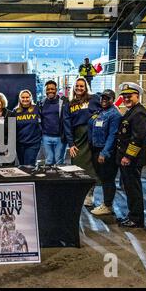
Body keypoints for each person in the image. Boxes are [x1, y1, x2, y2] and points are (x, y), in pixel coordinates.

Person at [115, 82, 146, 228]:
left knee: (133, 189)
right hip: (127, 159)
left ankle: (136, 218)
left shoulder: (139, 112)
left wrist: (128, 156)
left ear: (137, 96)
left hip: (131, 160)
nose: (126, 99)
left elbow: (138, 138)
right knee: (129, 188)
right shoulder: (132, 111)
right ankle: (132, 215)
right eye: (124, 96)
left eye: (129, 96)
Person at [63, 76, 101, 206]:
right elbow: (67, 124)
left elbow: (105, 109)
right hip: (78, 137)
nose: (79, 88)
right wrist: (71, 144)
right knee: (78, 166)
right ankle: (79, 193)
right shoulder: (69, 103)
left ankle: (90, 193)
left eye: (82, 86)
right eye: (77, 86)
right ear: (74, 87)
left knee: (92, 167)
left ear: (86, 87)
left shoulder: (94, 98)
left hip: (93, 135)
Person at [88, 89, 122, 216]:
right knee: (103, 178)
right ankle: (106, 203)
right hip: (96, 149)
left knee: (108, 179)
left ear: (113, 100)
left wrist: (104, 152)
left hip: (106, 152)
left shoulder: (114, 115)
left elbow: (112, 136)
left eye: (107, 98)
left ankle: (107, 205)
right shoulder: (101, 112)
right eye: (102, 98)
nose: (104, 100)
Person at [39, 80, 68, 165]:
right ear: (45, 91)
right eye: (48, 89)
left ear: (56, 90)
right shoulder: (42, 103)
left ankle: (58, 178)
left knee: (59, 160)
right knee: (49, 160)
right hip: (46, 137)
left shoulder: (63, 102)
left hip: (60, 138)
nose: (50, 91)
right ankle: (50, 178)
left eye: (52, 89)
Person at [14, 90, 42, 166]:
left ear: (30, 98)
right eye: (23, 97)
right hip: (20, 144)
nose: (25, 99)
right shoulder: (15, 111)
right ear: (20, 98)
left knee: (29, 165)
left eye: (27, 97)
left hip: (33, 143)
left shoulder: (36, 109)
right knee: (22, 165)